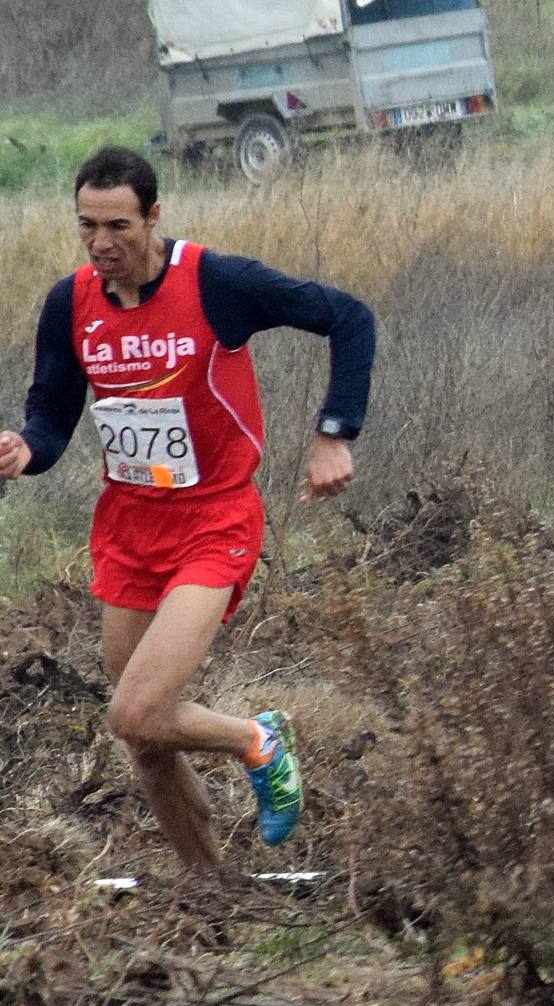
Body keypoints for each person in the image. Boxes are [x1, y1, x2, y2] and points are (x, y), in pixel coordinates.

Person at [5, 147, 367, 868]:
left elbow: (349, 318)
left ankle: (256, 741)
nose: (102, 244)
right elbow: (51, 414)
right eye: (86, 227)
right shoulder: (69, 302)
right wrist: (23, 451)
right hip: (129, 526)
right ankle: (211, 891)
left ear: (154, 215)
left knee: (135, 710)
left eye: (118, 226)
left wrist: (334, 434)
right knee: (146, 740)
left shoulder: (219, 283)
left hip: (214, 520)